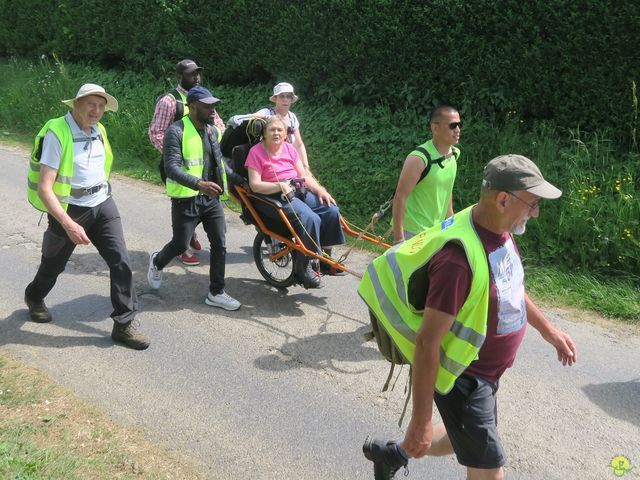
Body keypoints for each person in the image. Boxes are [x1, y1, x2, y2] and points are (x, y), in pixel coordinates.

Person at [359, 155, 577, 479]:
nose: (536, 212)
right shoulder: (457, 261)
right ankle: (404, 445)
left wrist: (548, 330)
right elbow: (427, 342)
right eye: (531, 204)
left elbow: (508, 287)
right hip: (465, 378)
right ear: (503, 199)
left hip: (486, 375)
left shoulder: (497, 228)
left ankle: (392, 454)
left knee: (455, 439)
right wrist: (420, 418)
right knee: (489, 470)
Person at [25, 83, 149, 350]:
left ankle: (124, 324)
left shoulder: (99, 130)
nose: (97, 111)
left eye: (101, 106)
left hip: (102, 204)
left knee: (121, 262)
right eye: (91, 104)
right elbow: (46, 188)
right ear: (76, 104)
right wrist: (68, 223)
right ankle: (34, 297)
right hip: (69, 209)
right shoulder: (58, 132)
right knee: (53, 265)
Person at [147, 86, 244, 311]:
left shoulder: (211, 131)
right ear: (192, 107)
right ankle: (157, 261)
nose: (212, 110)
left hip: (211, 200)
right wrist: (199, 184)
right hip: (186, 199)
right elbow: (171, 168)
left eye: (213, 105)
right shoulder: (176, 131)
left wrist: (240, 180)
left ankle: (216, 292)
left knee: (219, 243)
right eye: (207, 106)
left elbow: (219, 162)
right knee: (181, 243)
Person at [245, 117, 345, 289]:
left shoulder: (289, 149)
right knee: (310, 218)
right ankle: (304, 266)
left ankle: (324, 259)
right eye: (272, 130)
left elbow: (304, 176)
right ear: (264, 133)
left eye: (280, 130)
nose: (276, 133)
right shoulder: (256, 152)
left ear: (285, 134)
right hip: (273, 196)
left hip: (296, 189)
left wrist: (320, 190)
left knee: (331, 210)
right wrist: (279, 185)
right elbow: (254, 185)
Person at [148, 59, 225, 266]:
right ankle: (184, 246)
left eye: (198, 73)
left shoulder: (204, 98)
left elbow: (219, 125)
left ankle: (188, 235)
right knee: (186, 203)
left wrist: (210, 143)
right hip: (177, 164)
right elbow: (156, 133)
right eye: (192, 74)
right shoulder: (169, 101)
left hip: (204, 161)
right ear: (180, 77)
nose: (197, 77)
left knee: (202, 204)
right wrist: (176, 152)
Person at [391, 105, 462, 245]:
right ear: (435, 128)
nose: (458, 130)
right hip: (412, 232)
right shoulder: (418, 159)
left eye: (460, 124)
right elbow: (400, 196)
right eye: (453, 125)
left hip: (436, 230)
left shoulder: (454, 155)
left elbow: (447, 191)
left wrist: (450, 221)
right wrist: (399, 238)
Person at [251, 82, 311, 174]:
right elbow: (247, 117)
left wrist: (306, 167)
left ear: (291, 99)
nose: (285, 100)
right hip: (270, 162)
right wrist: (264, 118)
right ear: (275, 99)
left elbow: (299, 145)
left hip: (291, 161)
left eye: (288, 96)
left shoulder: (292, 117)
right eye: (282, 96)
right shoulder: (267, 112)